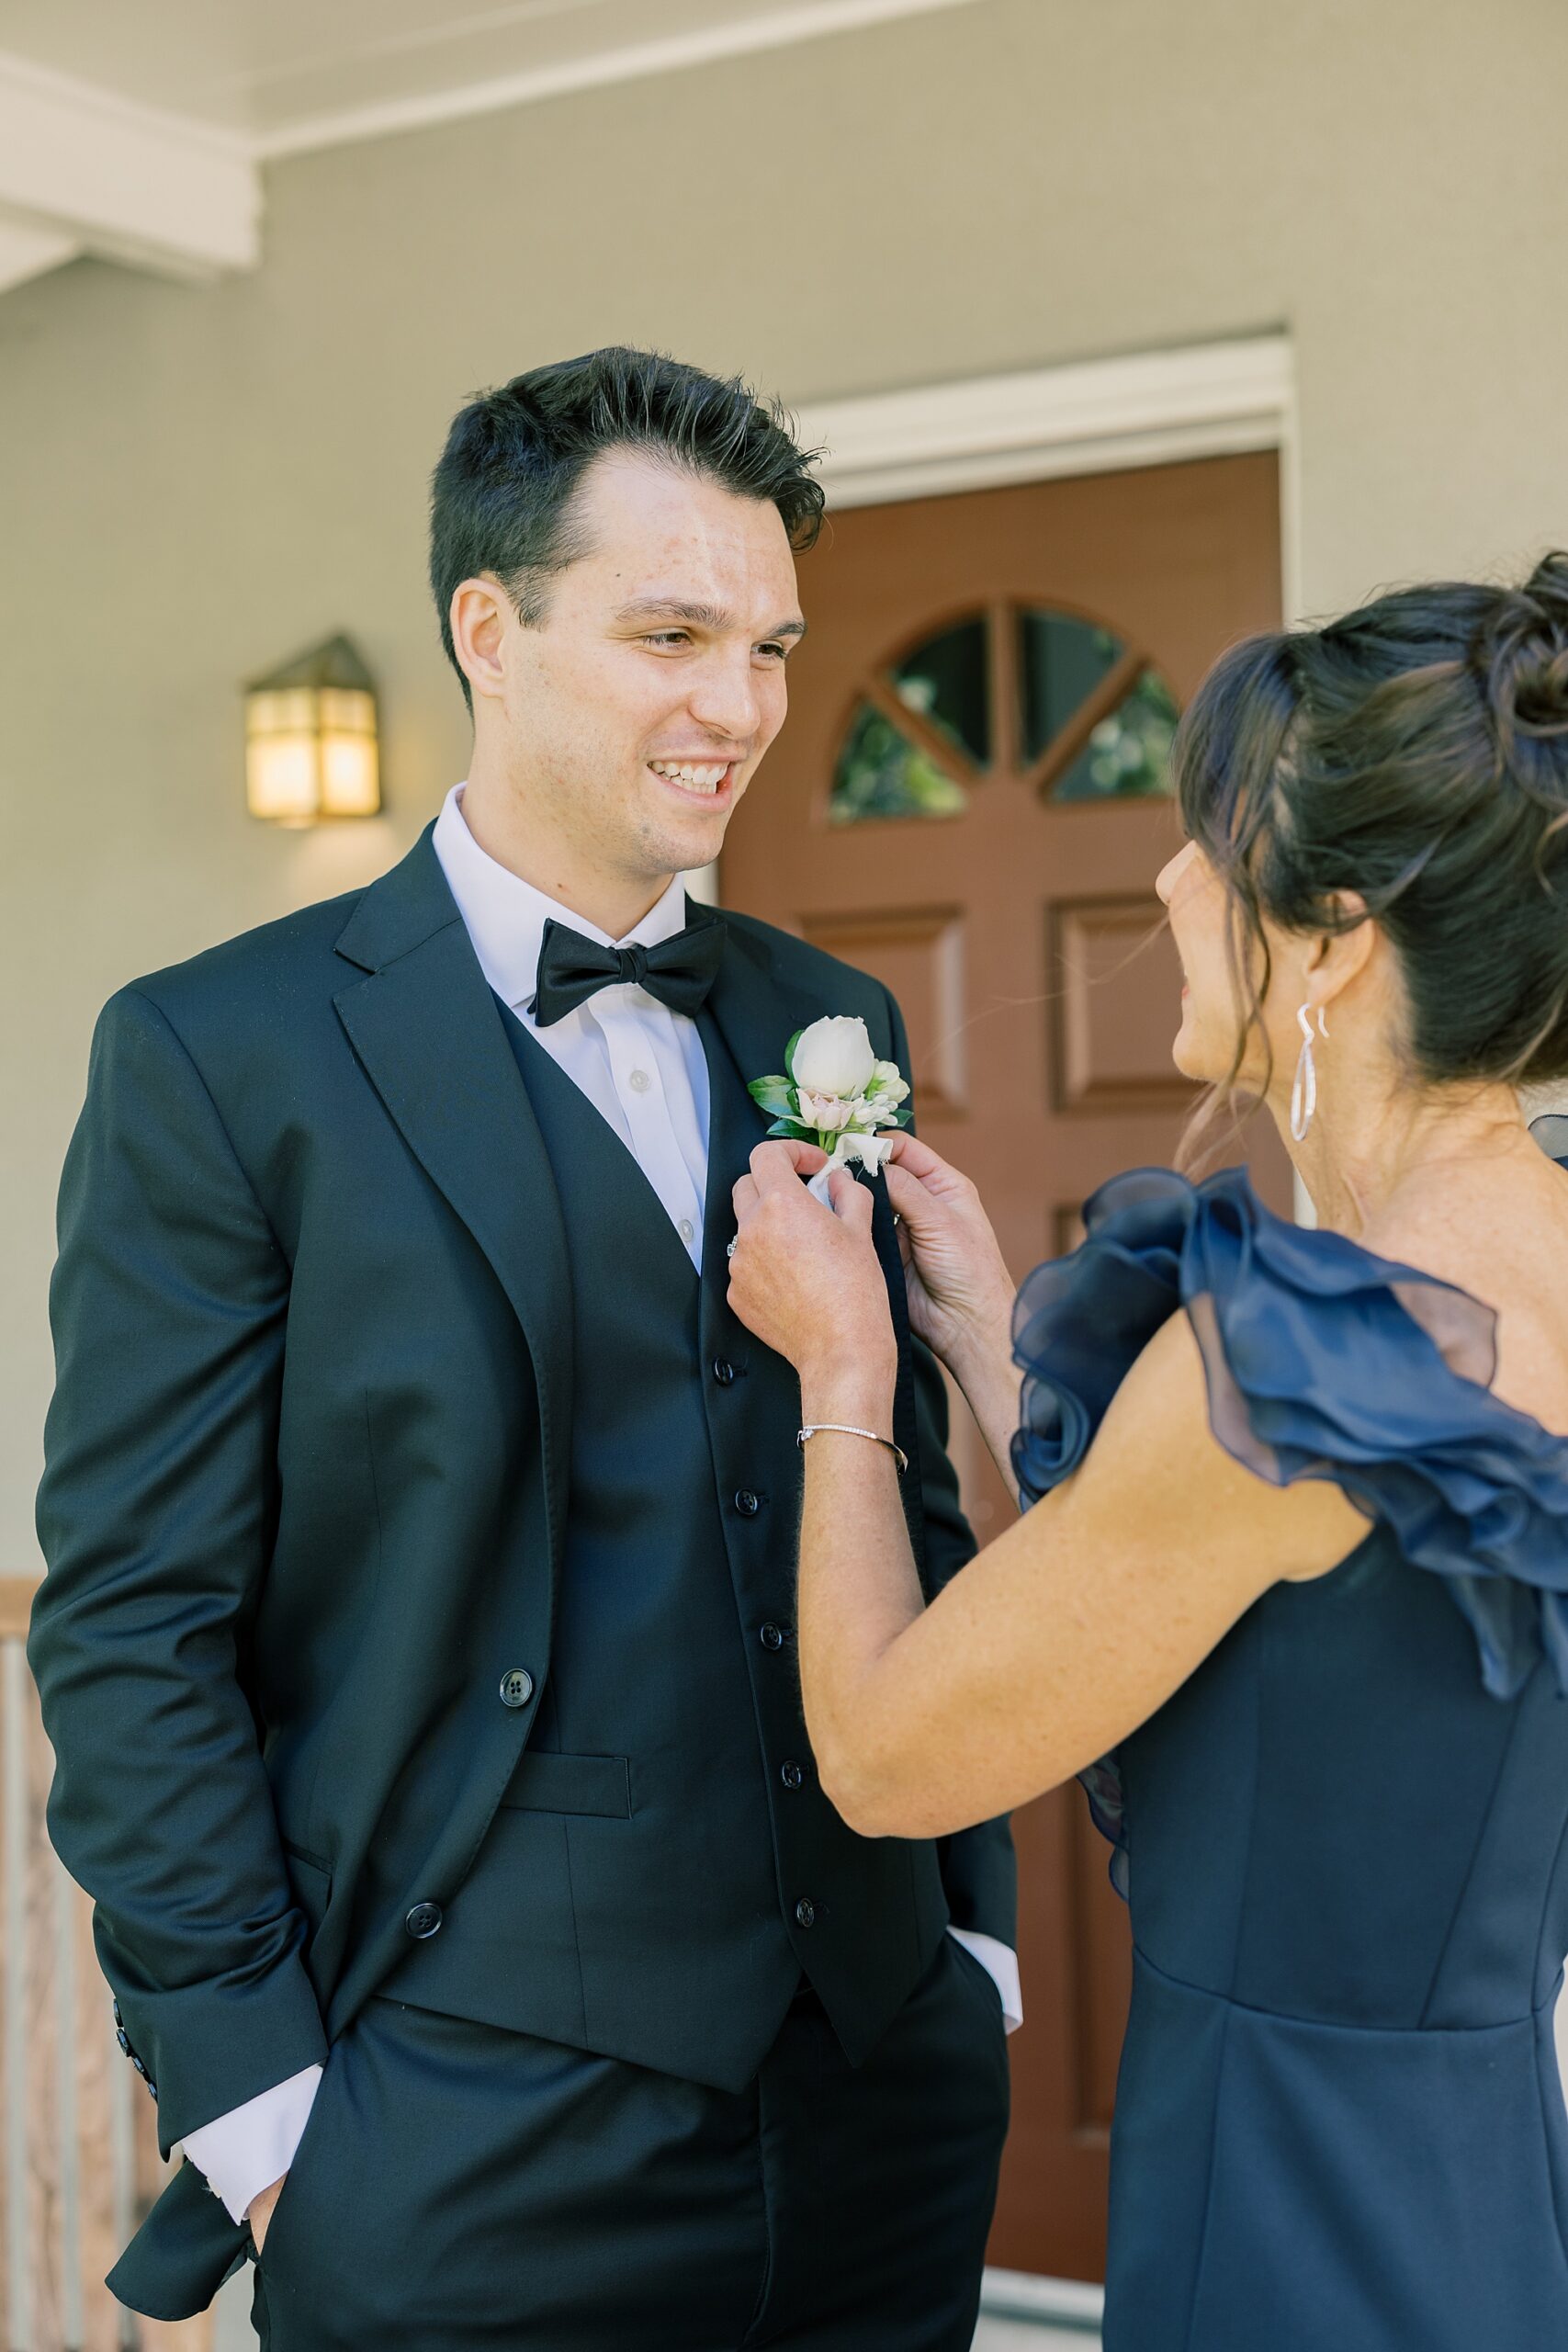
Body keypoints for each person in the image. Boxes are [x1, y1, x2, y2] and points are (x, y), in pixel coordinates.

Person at [30, 348, 1015, 2348]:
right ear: (487, 627)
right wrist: (261, 2104)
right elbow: (133, 1613)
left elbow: (901, 1493)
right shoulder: (225, 1055)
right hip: (448, 2127)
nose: (735, 705)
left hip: (872, 2090)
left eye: (767, 645)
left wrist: (969, 1946)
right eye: (669, 633)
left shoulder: (823, 1014)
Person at [727, 554, 1568, 2351]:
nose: (1173, 876)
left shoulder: (1288, 1357)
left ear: (1332, 933)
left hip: (1276, 2210)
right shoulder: (1499, 1289)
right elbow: (1299, 1643)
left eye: (1215, 839)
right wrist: (979, 1335)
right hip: (1486, 2186)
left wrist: (844, 1366)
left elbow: (885, 1754)